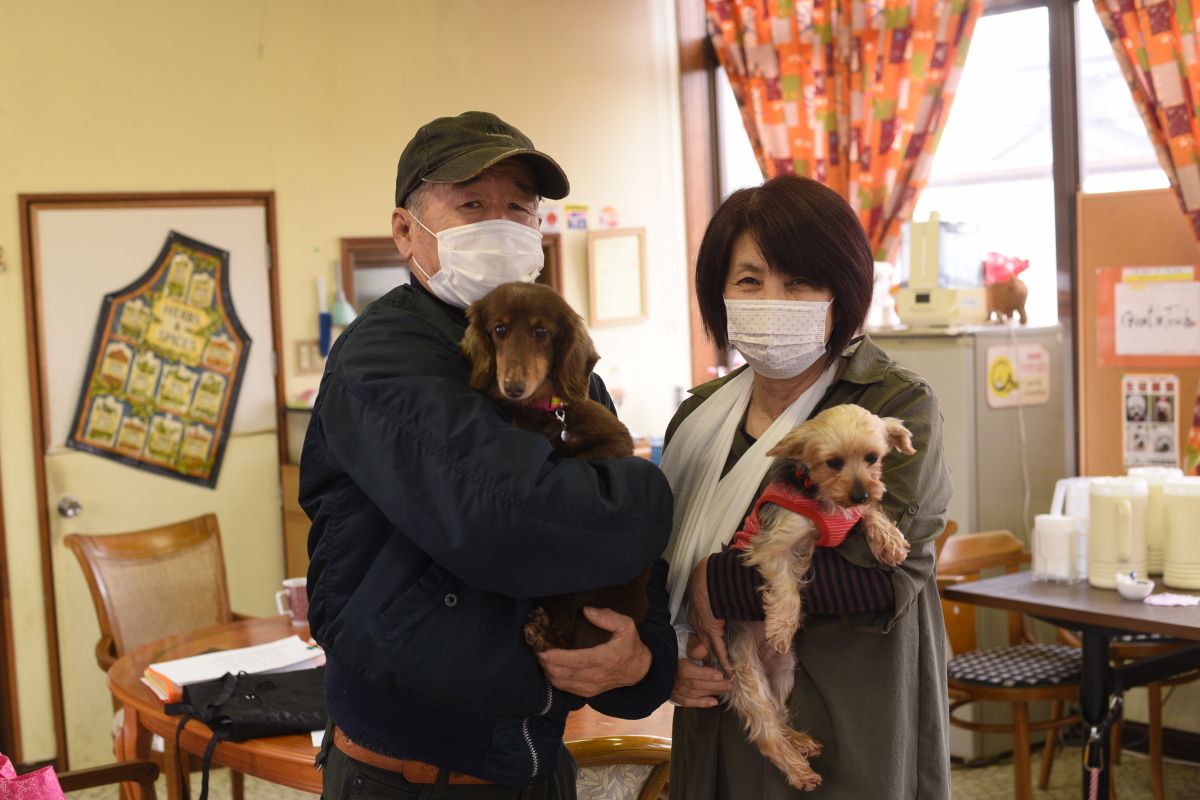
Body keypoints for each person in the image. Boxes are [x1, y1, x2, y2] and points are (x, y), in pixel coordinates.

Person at [300, 111, 676, 800]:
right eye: (471, 204)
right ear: (406, 230)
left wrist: (641, 658)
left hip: (534, 760)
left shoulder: (559, 354)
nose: (499, 223)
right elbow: (511, 523)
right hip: (409, 774)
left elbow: (631, 556)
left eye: (519, 208)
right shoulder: (383, 360)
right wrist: (651, 494)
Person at [662, 175, 953, 798]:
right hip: (719, 720)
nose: (772, 298)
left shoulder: (891, 403)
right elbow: (656, 562)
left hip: (849, 723)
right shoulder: (700, 418)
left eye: (799, 281)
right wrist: (662, 660)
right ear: (719, 295)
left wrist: (714, 580)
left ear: (839, 294)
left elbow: (880, 575)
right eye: (749, 280)